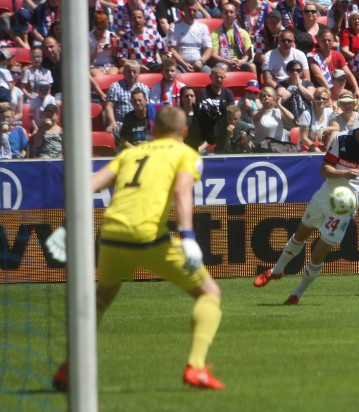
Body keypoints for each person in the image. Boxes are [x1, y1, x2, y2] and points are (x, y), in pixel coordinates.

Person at [48, 106, 226, 392]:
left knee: (101, 298)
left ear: (153, 131)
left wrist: (67, 226)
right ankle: (196, 368)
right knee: (209, 293)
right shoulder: (185, 154)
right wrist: (189, 236)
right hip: (148, 237)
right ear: (184, 132)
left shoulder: (129, 154)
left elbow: (86, 185)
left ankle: (69, 367)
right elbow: (182, 191)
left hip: (111, 236)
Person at [253, 102, 359, 305]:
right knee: (301, 234)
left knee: (319, 251)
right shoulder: (342, 139)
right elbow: (324, 170)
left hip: (345, 205)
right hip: (326, 194)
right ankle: (276, 270)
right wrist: (343, 172)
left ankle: (296, 294)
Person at [307, 29, 359, 98]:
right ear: (318, 41)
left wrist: (357, 89)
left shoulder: (338, 55)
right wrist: (330, 92)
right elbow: (318, 76)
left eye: (329, 40)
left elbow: (348, 73)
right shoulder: (313, 56)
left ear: (333, 41)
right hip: (321, 90)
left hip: (336, 89)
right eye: (323, 40)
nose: (327, 43)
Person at [105, 60, 151, 136]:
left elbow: (147, 107)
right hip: (121, 124)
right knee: (113, 132)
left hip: (140, 123)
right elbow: (109, 106)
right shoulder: (115, 87)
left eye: (134, 72)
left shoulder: (145, 88)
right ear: (123, 72)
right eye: (129, 71)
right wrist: (112, 122)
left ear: (139, 72)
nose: (131, 74)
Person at [167, 0, 214, 73]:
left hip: (199, 64)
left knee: (212, 74)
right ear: (184, 10)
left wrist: (201, 61)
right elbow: (172, 50)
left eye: (194, 11)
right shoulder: (174, 27)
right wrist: (184, 64)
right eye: (189, 10)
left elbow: (209, 49)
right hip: (181, 65)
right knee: (176, 76)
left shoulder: (203, 27)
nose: (192, 13)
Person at [198, 67, 236, 153]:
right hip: (209, 126)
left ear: (225, 78)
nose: (219, 79)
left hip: (223, 126)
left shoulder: (228, 93)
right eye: (216, 77)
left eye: (221, 77)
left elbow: (232, 111)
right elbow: (206, 111)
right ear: (211, 77)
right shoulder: (204, 92)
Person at [117, 9, 166, 73]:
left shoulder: (154, 34)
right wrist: (137, 66)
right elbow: (121, 58)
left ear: (144, 19)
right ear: (131, 20)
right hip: (134, 66)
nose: (137, 20)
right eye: (134, 18)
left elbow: (164, 52)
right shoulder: (125, 38)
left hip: (152, 65)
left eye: (139, 17)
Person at [211, 3, 257, 73]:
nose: (228, 14)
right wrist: (228, 61)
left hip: (240, 62)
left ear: (235, 15)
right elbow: (214, 54)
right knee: (222, 67)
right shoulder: (215, 34)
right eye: (226, 12)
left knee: (252, 66)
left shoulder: (243, 33)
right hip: (224, 62)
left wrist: (241, 61)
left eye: (231, 12)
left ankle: (254, 84)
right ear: (222, 15)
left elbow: (247, 54)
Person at [253, 86, 296, 152]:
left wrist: (279, 105)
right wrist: (264, 107)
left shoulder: (278, 112)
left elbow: (291, 118)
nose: (266, 97)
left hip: (278, 148)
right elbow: (256, 118)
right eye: (264, 96)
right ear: (261, 99)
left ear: (274, 98)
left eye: (269, 95)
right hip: (262, 149)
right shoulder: (256, 112)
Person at [89, 11, 120, 77]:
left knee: (112, 75)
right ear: (94, 26)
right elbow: (85, 62)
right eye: (99, 28)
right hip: (94, 66)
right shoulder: (89, 38)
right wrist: (95, 52)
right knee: (100, 77)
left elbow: (117, 58)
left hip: (110, 65)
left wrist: (113, 51)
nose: (102, 31)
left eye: (104, 28)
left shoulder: (112, 36)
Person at [180, 85, 207, 152]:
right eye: (186, 96)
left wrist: (200, 149)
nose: (189, 98)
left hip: (201, 151)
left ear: (195, 97)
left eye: (192, 96)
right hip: (182, 151)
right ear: (181, 98)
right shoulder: (177, 116)